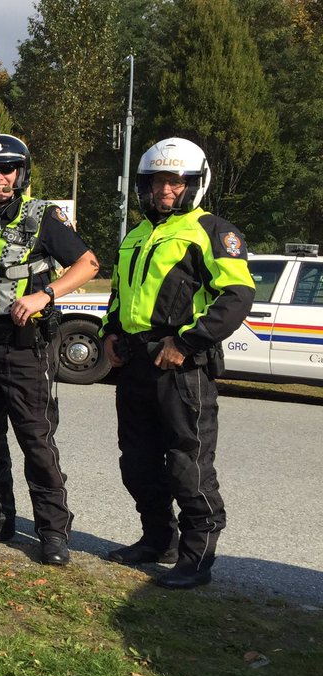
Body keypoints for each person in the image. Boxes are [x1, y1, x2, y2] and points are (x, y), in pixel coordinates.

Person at [101, 137, 254, 589]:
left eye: (174, 181)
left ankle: (195, 558)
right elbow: (121, 293)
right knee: (138, 460)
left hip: (183, 367)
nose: (164, 190)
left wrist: (187, 343)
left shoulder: (213, 231)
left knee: (188, 464)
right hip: (135, 364)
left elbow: (237, 297)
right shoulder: (136, 234)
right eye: (155, 182)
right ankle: (157, 539)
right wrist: (110, 330)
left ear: (192, 184)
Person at [0, 135, 99, 566]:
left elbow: (88, 263)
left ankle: (52, 532)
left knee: (36, 439)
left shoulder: (42, 217)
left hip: (26, 345)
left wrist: (44, 294)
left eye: (7, 169)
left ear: (21, 173)